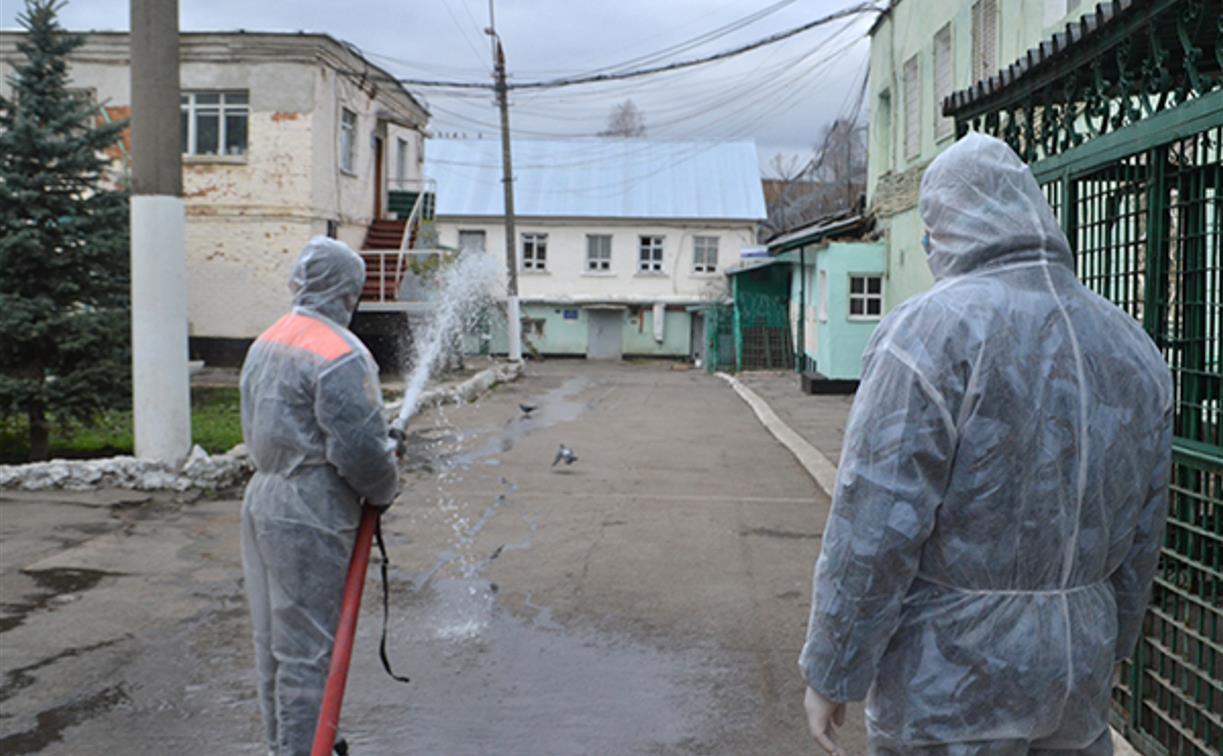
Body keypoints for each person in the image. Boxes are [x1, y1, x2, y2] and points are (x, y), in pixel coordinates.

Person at [799, 133, 1172, 755]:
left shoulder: (929, 336)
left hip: (951, 674)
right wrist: (1115, 645)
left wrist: (835, 668)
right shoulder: (1132, 347)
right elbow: (1142, 533)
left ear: (951, 223)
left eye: (930, 224)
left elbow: (876, 522)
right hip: (1076, 664)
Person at [240, 236, 399, 755]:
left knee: (275, 646)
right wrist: (386, 485)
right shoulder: (340, 353)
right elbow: (359, 450)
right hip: (309, 507)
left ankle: (290, 741)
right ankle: (303, 748)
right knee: (308, 650)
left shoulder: (269, 339)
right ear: (349, 290)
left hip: (263, 496)